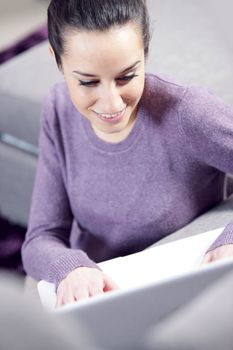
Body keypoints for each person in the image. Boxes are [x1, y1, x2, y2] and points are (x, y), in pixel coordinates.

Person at [22, 0, 233, 307]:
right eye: (88, 82)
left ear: (144, 52)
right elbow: (40, 238)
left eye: (126, 77)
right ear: (56, 59)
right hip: (100, 294)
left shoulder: (187, 112)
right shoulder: (58, 109)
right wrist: (71, 268)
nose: (111, 104)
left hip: (181, 287)